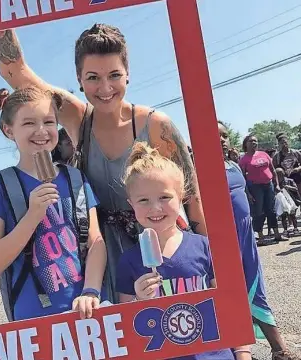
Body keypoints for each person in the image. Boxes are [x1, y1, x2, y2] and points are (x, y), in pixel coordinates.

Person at [0, 24, 206, 303]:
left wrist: (215, 264)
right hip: (98, 256)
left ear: (128, 76)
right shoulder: (78, 119)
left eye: (114, 75)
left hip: (159, 245)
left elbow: (193, 199)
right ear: (79, 80)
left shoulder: (155, 125)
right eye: (93, 77)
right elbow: (15, 71)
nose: (105, 88)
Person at [0, 86, 107, 321]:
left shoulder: (75, 178)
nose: (41, 131)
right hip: (34, 316)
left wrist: (91, 290)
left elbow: (95, 240)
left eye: (49, 121)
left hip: (88, 309)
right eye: (28, 123)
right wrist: (32, 216)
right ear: (9, 130)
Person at [115, 142, 249, 360]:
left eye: (164, 197)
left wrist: (242, 352)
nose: (155, 208)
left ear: (182, 197)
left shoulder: (204, 247)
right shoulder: (128, 261)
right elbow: (127, 327)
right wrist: (138, 301)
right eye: (143, 200)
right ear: (132, 204)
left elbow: (230, 307)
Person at [218, 123, 296, 360]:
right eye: (215, 136)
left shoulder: (233, 165)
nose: (221, 139)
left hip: (246, 237)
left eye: (224, 135)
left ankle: (278, 350)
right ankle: (242, 351)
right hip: (221, 239)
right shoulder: (199, 169)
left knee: (255, 287)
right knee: (228, 294)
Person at [239, 135, 286, 245]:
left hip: (268, 185)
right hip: (255, 187)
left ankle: (276, 234)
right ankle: (260, 237)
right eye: (251, 141)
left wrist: (276, 184)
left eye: (256, 141)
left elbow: (272, 170)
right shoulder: (244, 159)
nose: (254, 143)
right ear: (246, 144)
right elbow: (242, 178)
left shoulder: (263, 154)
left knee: (271, 210)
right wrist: (248, 193)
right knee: (258, 211)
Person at [275, 168, 300, 236]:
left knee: (293, 215)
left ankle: (295, 228)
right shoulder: (275, 184)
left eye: (281, 174)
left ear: (283, 174)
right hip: (282, 203)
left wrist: (288, 187)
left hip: (291, 201)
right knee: (283, 216)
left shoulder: (290, 180)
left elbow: (296, 189)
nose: (279, 176)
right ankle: (285, 230)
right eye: (278, 174)